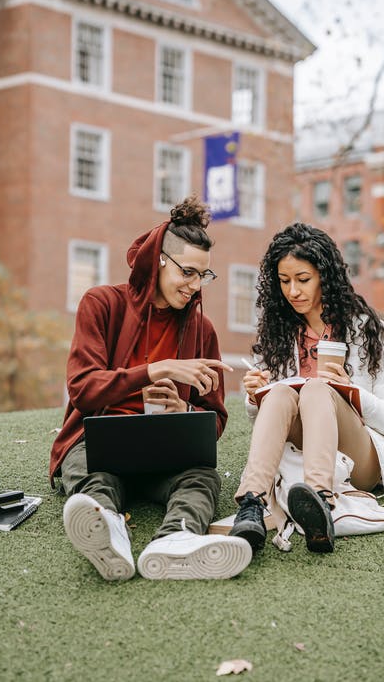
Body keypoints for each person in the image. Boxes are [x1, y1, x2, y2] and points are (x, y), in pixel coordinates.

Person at [50, 197, 252, 581]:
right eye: (188, 272)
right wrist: (152, 371)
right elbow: (82, 389)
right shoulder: (102, 303)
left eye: (203, 276)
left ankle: (175, 539)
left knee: (203, 477)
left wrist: (186, 412)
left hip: (167, 454)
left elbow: (216, 420)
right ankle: (109, 533)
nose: (195, 286)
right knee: (95, 476)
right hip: (100, 445)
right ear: (160, 259)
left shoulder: (202, 330)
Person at [230, 223, 384, 553]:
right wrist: (256, 396)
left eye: (303, 279)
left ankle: (319, 502)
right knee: (283, 393)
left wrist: (350, 392)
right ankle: (252, 503)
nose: (293, 291)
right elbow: (267, 424)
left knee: (315, 389)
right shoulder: (277, 335)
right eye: (284, 281)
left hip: (361, 459)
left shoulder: (369, 330)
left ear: (325, 276)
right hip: (299, 452)